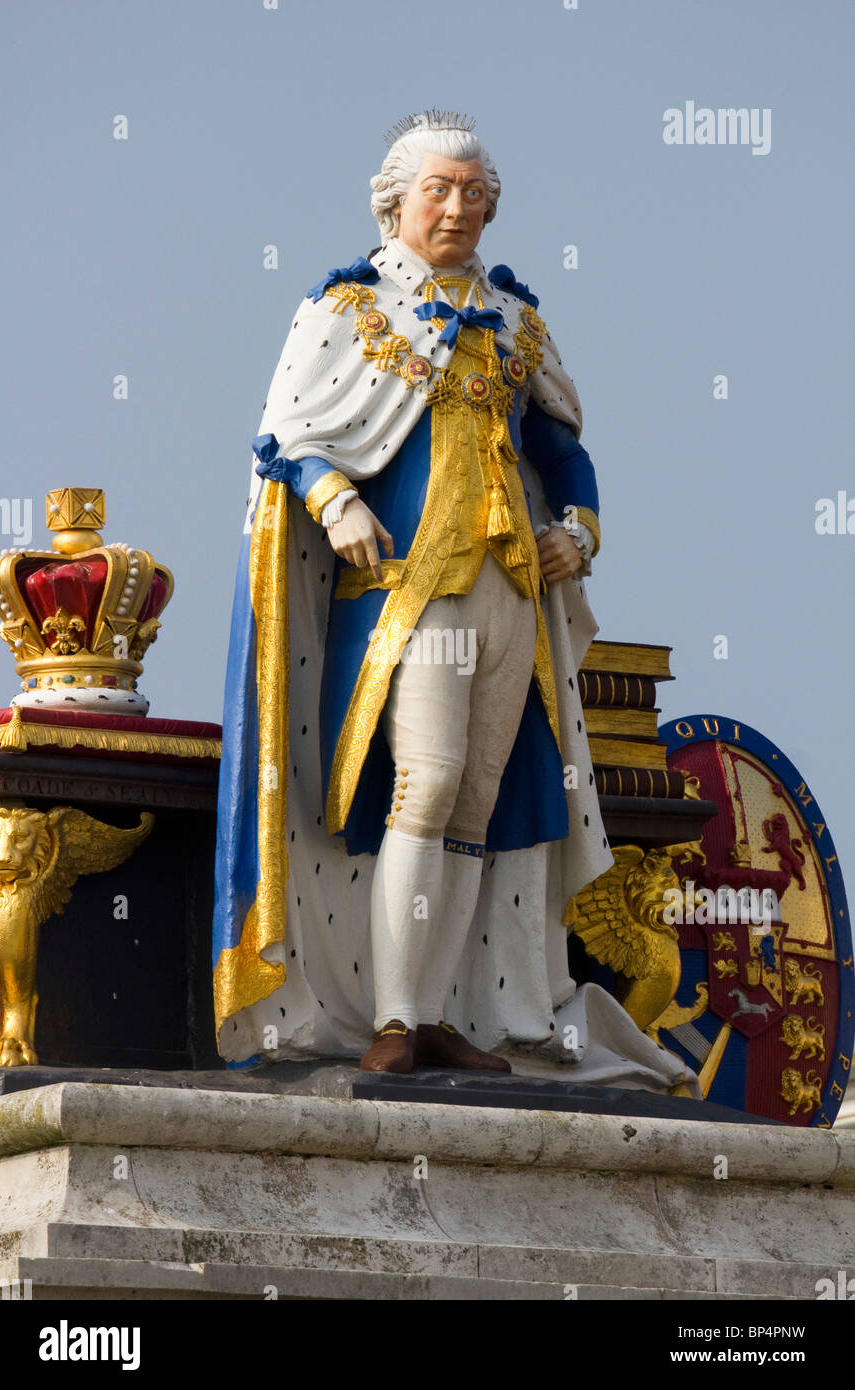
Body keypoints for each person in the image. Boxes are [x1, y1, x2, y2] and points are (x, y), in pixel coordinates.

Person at [212, 110, 696, 1094]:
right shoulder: (348, 308)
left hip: (510, 589)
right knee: (424, 784)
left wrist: (579, 529)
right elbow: (289, 436)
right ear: (394, 200)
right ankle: (393, 1015)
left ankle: (439, 1014)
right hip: (408, 593)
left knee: (475, 802)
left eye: (475, 194)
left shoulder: (516, 319)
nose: (459, 209)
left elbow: (562, 448)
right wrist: (333, 497)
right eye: (440, 189)